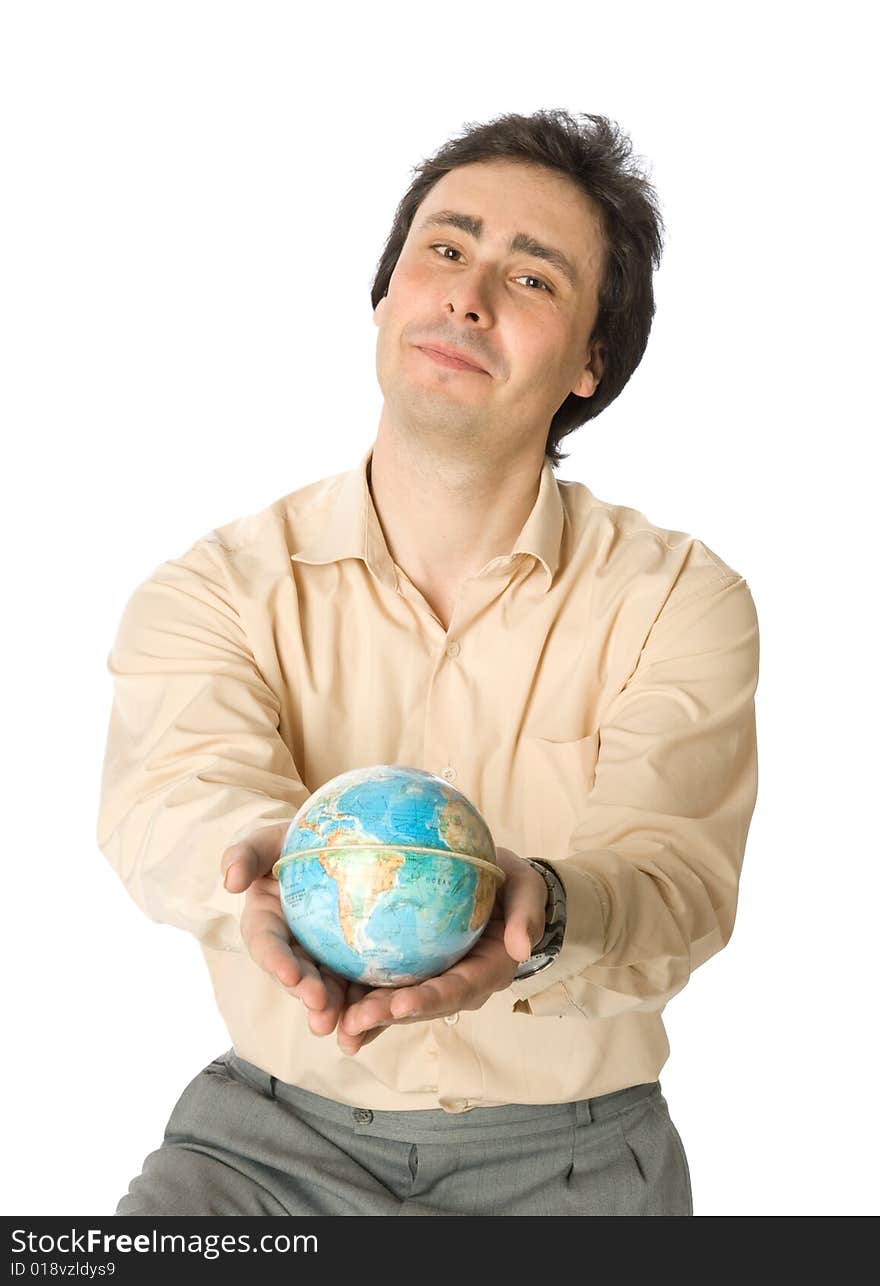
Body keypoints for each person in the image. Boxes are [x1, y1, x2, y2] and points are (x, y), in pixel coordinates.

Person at [97, 109, 760, 1217]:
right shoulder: (211, 589)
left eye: (532, 278)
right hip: (263, 1146)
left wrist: (541, 908)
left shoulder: (678, 600)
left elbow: (673, 883)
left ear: (594, 360)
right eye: (444, 250)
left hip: (577, 1158)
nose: (467, 294)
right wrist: (258, 871)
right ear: (386, 294)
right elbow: (172, 797)